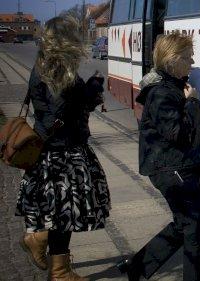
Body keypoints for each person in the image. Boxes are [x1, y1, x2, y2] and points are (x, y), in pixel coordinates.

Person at [115, 33, 200, 281]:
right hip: (170, 168)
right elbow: (177, 134)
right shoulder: (161, 92)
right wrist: (192, 103)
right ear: (173, 60)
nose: (192, 61)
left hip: (179, 166)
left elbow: (193, 130)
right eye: (187, 56)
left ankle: (137, 268)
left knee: (186, 226)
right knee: (197, 228)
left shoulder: (176, 85)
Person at [16, 16, 110, 281]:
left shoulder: (47, 63)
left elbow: (60, 108)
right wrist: (88, 92)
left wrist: (87, 92)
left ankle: (59, 268)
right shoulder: (58, 69)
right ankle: (44, 246)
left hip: (55, 148)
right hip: (61, 152)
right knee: (68, 211)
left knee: (65, 212)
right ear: (66, 40)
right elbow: (59, 111)